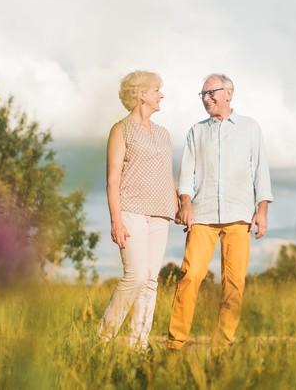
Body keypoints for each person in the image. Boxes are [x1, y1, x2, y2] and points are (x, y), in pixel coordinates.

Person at [167, 73, 273, 349]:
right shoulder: (196, 131)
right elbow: (186, 172)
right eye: (202, 94)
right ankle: (175, 342)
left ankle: (222, 342)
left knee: (234, 281)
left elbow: (261, 171)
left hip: (239, 215)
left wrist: (262, 211)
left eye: (211, 92)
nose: (206, 98)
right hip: (201, 215)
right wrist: (185, 203)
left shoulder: (250, 128)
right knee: (190, 276)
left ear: (229, 93)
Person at [98, 71, 177, 350]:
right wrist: (115, 220)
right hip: (131, 209)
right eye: (157, 90)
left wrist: (176, 202)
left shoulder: (164, 134)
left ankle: (138, 347)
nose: (161, 95)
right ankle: (104, 338)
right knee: (136, 275)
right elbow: (113, 178)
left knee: (151, 281)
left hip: (160, 213)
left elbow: (167, 174)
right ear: (141, 94)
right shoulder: (121, 129)